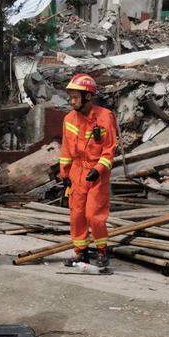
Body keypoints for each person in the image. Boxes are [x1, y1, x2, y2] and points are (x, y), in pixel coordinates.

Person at [58, 74, 117, 271]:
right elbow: (66, 151)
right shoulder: (69, 119)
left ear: (88, 97)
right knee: (77, 215)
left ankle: (102, 251)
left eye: (75, 97)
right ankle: (80, 253)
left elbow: (109, 150)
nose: (71, 101)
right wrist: (65, 176)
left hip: (96, 173)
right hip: (76, 172)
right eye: (71, 97)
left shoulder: (104, 117)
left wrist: (98, 170)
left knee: (94, 215)